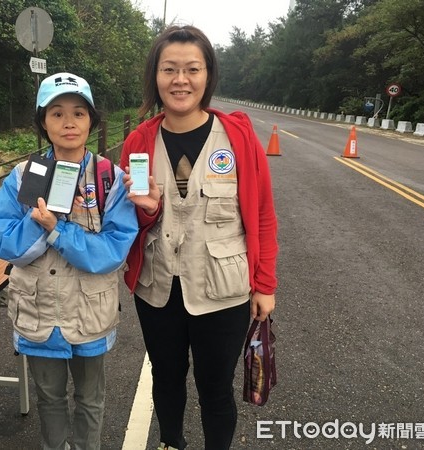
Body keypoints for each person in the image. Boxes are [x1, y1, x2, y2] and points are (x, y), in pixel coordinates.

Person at [119, 26, 278, 450]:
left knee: (215, 387)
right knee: (166, 378)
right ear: (156, 76)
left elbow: (262, 214)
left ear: (208, 76)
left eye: (192, 69)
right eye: (169, 69)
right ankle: (171, 442)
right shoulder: (138, 142)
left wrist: (265, 284)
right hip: (158, 288)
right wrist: (146, 210)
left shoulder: (239, 138)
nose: (180, 80)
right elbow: (126, 220)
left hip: (224, 289)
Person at [0, 72, 138, 450]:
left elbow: (114, 250)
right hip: (38, 313)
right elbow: (3, 241)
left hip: (89, 314)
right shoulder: (23, 176)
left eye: (79, 114)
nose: (68, 123)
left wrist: (57, 230)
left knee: (90, 399)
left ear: (91, 121)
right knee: (49, 399)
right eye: (57, 113)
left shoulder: (109, 179)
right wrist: (40, 223)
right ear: (42, 122)